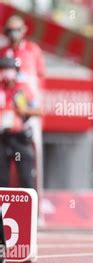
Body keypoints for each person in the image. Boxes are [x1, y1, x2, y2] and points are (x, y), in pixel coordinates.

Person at [0, 56, 41, 188]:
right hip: (2, 138)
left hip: (19, 138)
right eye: (3, 69)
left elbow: (38, 111)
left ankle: (31, 207)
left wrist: (24, 109)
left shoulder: (22, 89)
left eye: (9, 69)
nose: (6, 72)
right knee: (2, 178)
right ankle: (2, 208)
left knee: (26, 177)